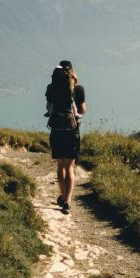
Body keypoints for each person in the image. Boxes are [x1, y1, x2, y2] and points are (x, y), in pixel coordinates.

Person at [45, 60, 86, 214]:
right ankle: (67, 201)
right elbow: (82, 110)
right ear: (72, 72)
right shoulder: (78, 88)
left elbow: (48, 107)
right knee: (70, 167)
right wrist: (76, 83)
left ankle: (62, 197)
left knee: (60, 166)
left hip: (56, 131)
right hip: (72, 132)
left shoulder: (51, 88)